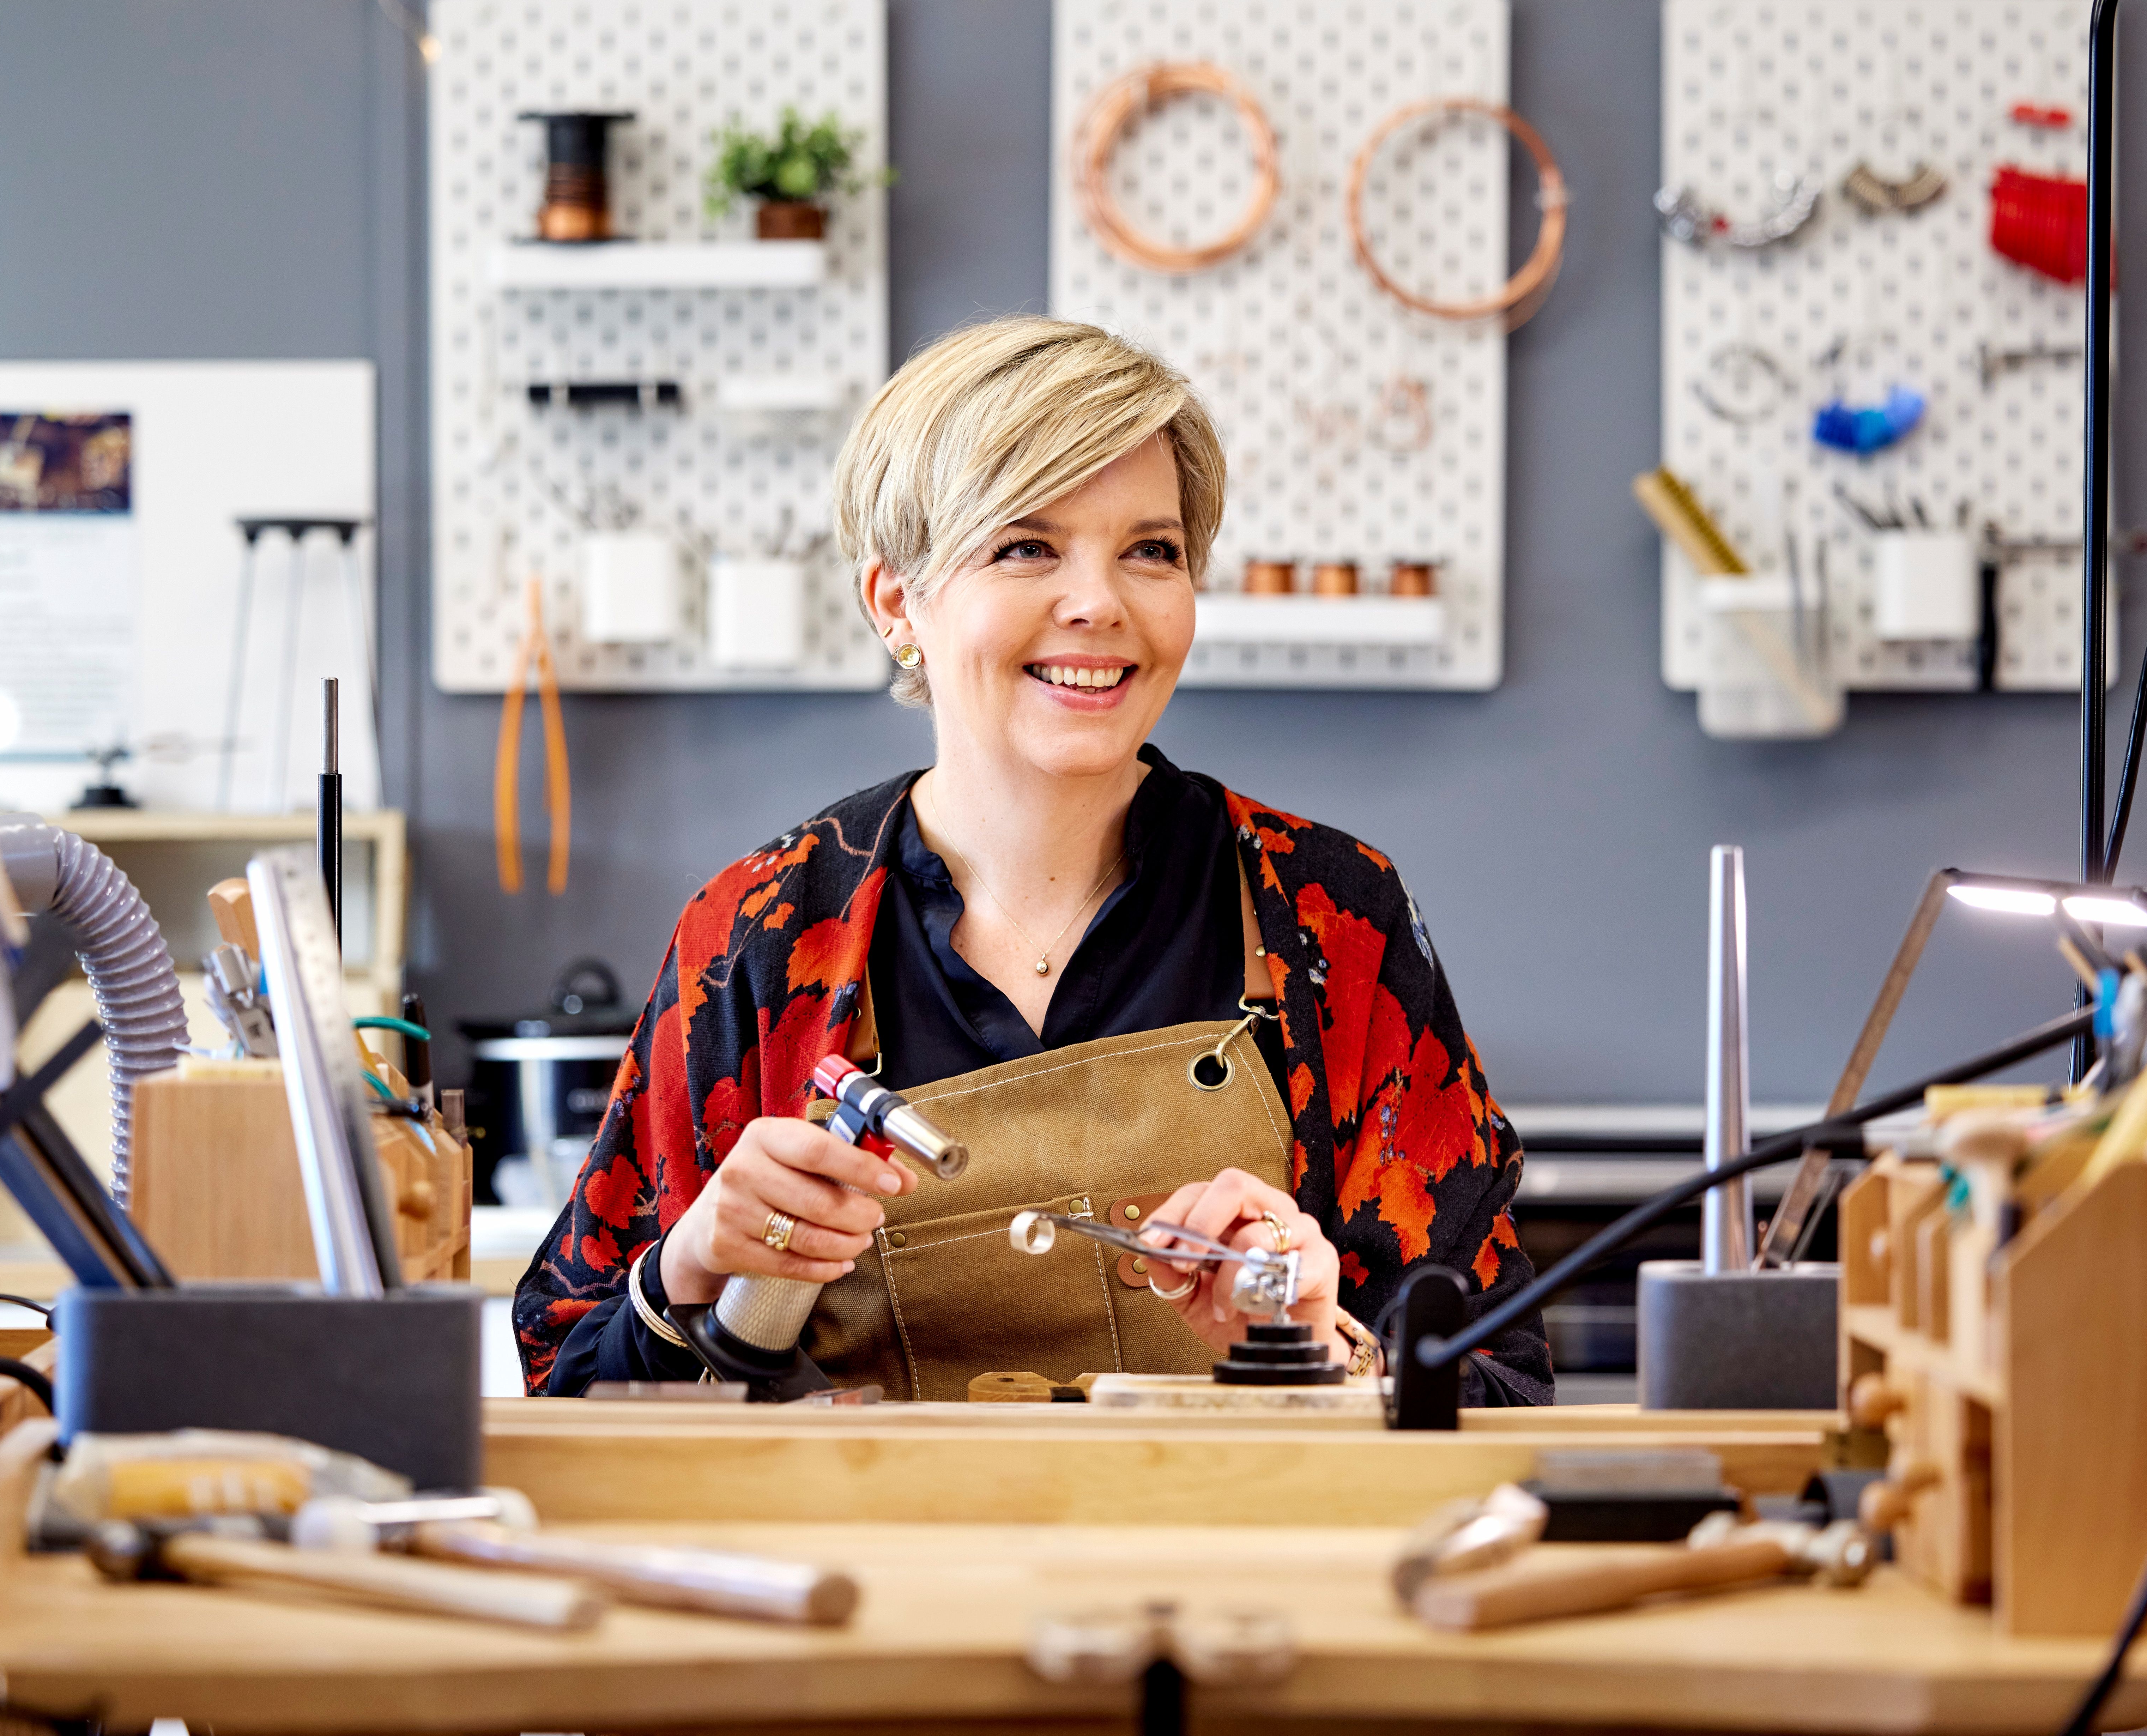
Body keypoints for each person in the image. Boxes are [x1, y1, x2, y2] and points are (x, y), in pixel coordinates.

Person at [514, 316, 1550, 1404]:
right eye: (1026, 546)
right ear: (895, 601)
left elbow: (1499, 1386)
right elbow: (566, 1393)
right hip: (866, 1573)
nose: (1100, 602)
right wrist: (685, 1280)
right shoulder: (764, 936)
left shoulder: (1333, 922)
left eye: (1151, 550)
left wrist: (1318, 1348)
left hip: (1233, 1569)